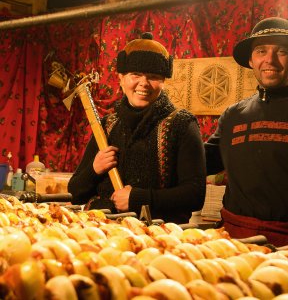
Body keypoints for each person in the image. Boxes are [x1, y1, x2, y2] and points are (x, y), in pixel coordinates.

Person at [205, 17, 288, 249]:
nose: (270, 60)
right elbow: (201, 162)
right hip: (233, 241)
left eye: (281, 51)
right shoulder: (233, 115)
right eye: (261, 51)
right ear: (251, 59)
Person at [68, 32, 206, 224]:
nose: (144, 83)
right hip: (101, 232)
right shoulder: (107, 125)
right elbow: (75, 191)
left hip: (157, 240)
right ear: (121, 78)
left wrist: (139, 199)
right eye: (136, 74)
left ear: (163, 81)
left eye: (153, 76)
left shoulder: (181, 124)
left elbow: (195, 195)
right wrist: (94, 169)